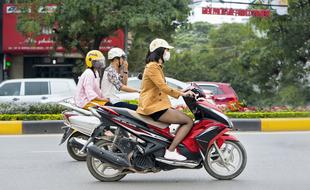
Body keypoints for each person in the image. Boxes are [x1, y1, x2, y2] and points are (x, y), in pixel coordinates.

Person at [137, 38, 196, 161]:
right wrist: (182, 94)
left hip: (157, 105)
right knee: (188, 121)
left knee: (180, 120)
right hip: (154, 107)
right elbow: (163, 87)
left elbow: (163, 87)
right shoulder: (153, 67)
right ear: (160, 51)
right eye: (166, 50)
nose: (168, 52)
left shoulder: (156, 67)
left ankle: (168, 148)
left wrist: (183, 91)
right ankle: (171, 150)